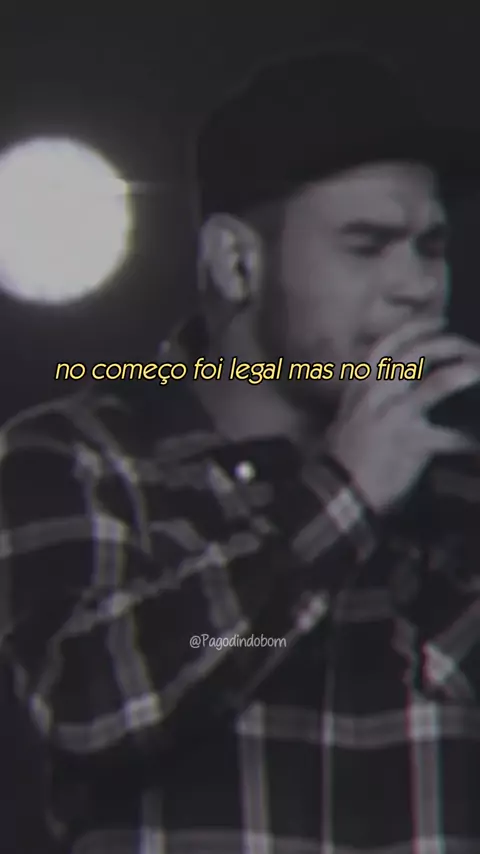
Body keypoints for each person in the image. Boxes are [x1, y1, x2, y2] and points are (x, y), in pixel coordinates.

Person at [2, 46, 480, 854]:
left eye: (430, 247)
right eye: (367, 244)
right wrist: (346, 495)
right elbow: (90, 703)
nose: (418, 286)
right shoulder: (83, 456)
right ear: (235, 263)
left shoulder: (463, 488)